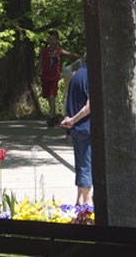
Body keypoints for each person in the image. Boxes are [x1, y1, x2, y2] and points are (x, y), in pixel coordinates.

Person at [60, 56, 93, 207]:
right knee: (87, 164)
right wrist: (73, 120)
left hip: (75, 130)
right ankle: (87, 202)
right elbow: (89, 106)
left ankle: (80, 199)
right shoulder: (91, 77)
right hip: (86, 127)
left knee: (80, 164)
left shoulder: (76, 76)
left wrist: (68, 118)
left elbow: (67, 100)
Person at [39, 32, 76, 127]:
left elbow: (70, 54)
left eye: (53, 39)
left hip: (54, 76)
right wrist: (37, 72)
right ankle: (54, 114)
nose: (51, 41)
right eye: (50, 39)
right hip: (45, 76)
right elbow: (41, 62)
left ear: (57, 40)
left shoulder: (59, 51)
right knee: (46, 96)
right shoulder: (44, 51)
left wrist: (80, 56)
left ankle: (51, 116)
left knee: (52, 96)